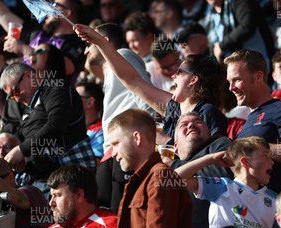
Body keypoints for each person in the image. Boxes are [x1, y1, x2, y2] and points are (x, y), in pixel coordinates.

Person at [75, 23, 227, 141]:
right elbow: (133, 81)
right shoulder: (174, 109)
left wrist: (165, 142)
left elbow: (217, 155)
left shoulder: (208, 111)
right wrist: (101, 42)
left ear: (193, 80)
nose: (174, 75)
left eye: (179, 72)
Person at [109, 109, 193, 228]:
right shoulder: (142, 181)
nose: (113, 153)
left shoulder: (159, 177)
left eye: (116, 143)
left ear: (137, 138)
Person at [176, 136, 280, 228]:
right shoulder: (222, 188)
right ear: (246, 162)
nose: (272, 162)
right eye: (265, 156)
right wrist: (210, 159)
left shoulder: (276, 200)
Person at [224, 49, 281, 192]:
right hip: (242, 203)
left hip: (268, 205)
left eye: (237, 80)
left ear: (258, 77)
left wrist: (253, 148)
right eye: (229, 82)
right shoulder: (249, 118)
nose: (231, 88)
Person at [0, 62, 96, 185]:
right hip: (45, 179)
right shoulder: (27, 111)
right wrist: (24, 162)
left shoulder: (55, 88)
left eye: (16, 91)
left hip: (72, 171)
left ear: (29, 76)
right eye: (11, 97)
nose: (17, 99)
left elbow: (56, 124)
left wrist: (22, 150)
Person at [169, 112, 232, 228]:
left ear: (209, 133)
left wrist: (175, 169)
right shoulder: (168, 168)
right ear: (175, 147)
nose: (191, 124)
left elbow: (224, 171)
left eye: (198, 121)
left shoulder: (219, 144)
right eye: (184, 124)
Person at [198, 0, 275, 64]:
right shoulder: (210, 18)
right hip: (232, 73)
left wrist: (222, 45)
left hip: (258, 67)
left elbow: (247, 26)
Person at [75, 82, 105, 160]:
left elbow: (95, 163)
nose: (71, 100)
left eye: (76, 97)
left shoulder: (101, 132)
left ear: (90, 102)